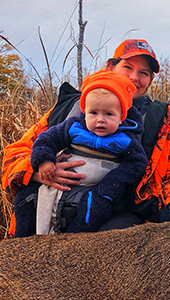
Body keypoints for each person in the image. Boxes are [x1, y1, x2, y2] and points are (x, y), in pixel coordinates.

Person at [2, 39, 170, 236]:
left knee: (115, 236)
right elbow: (15, 153)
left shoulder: (160, 120)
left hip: (113, 207)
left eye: (144, 73)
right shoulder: (69, 108)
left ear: (150, 81)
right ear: (110, 68)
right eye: (127, 67)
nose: (134, 77)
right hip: (49, 197)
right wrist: (40, 170)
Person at [13, 71, 148, 236]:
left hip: (96, 188)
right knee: (24, 198)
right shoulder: (73, 127)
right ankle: (21, 241)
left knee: (97, 208)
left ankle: (73, 242)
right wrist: (44, 161)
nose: (100, 119)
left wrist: (112, 184)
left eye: (108, 114)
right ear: (84, 111)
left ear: (121, 117)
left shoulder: (126, 140)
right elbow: (46, 139)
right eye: (93, 113)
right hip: (59, 179)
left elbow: (137, 163)